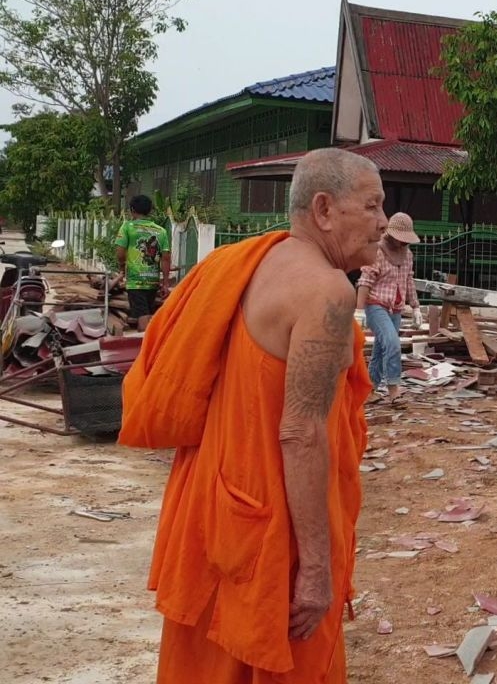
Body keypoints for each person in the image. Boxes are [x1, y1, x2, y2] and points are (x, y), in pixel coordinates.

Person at [118, 148, 386, 683]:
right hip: (273, 527)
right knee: (280, 658)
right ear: (324, 209)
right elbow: (301, 434)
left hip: (216, 510)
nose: (383, 223)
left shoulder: (239, 265)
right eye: (374, 206)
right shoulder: (327, 292)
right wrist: (314, 568)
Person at [356, 212, 422, 403]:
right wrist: (359, 311)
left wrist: (416, 307)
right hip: (376, 305)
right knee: (392, 344)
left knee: (380, 348)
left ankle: (370, 389)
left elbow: (408, 280)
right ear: (391, 235)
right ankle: (394, 390)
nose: (403, 243)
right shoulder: (377, 251)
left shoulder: (407, 254)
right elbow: (365, 280)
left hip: (396, 308)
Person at [113, 194, 172, 326]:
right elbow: (166, 258)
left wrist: (122, 267)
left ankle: (144, 344)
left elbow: (120, 253)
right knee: (146, 314)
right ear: (150, 210)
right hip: (152, 281)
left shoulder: (128, 227)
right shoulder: (161, 231)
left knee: (143, 317)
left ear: (132, 210)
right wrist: (166, 283)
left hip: (136, 282)